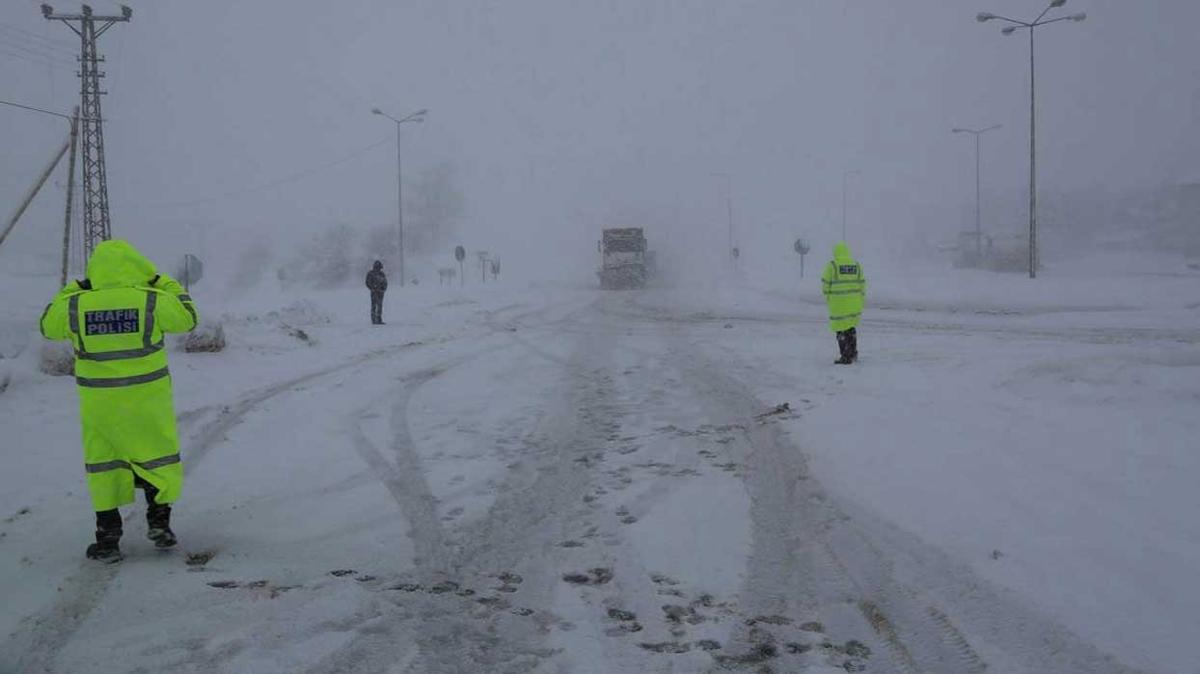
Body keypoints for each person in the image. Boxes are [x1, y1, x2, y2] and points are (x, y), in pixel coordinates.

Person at [40, 240, 199, 561]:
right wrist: (162, 281)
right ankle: (160, 525)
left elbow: (47, 326)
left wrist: (76, 288)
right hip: (147, 399)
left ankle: (108, 539)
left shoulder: (76, 304)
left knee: (105, 463)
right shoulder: (151, 299)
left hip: (100, 404)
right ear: (136, 266)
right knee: (156, 457)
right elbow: (187, 319)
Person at [821, 241, 867, 365]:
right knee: (851, 328)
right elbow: (862, 284)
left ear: (836, 253)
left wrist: (827, 295)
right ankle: (853, 353)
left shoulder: (833, 265)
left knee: (841, 331)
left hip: (839, 305)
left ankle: (845, 357)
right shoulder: (856, 265)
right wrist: (860, 298)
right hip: (854, 305)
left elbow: (825, 283)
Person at [365, 260, 388, 325]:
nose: (379, 269)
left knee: (379, 306)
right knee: (374, 306)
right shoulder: (370, 273)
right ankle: (374, 320)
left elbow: (385, 283)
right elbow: (367, 282)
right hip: (374, 292)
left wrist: (383, 289)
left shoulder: (381, 274)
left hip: (380, 292)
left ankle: (378, 319)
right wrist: (372, 288)